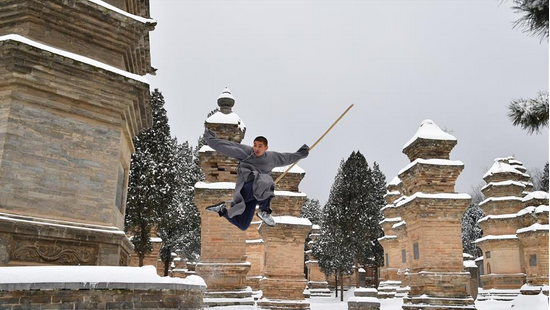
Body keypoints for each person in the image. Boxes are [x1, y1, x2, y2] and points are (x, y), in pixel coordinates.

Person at [204, 128, 309, 230]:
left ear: (266, 148)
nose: (256, 149)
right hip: (246, 187)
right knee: (266, 180)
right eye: (255, 145)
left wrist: (301, 154)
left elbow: (287, 158)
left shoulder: (272, 158)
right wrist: (210, 140)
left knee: (243, 225)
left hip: (255, 194)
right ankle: (264, 211)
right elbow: (228, 147)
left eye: (260, 146)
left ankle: (221, 210)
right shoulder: (246, 152)